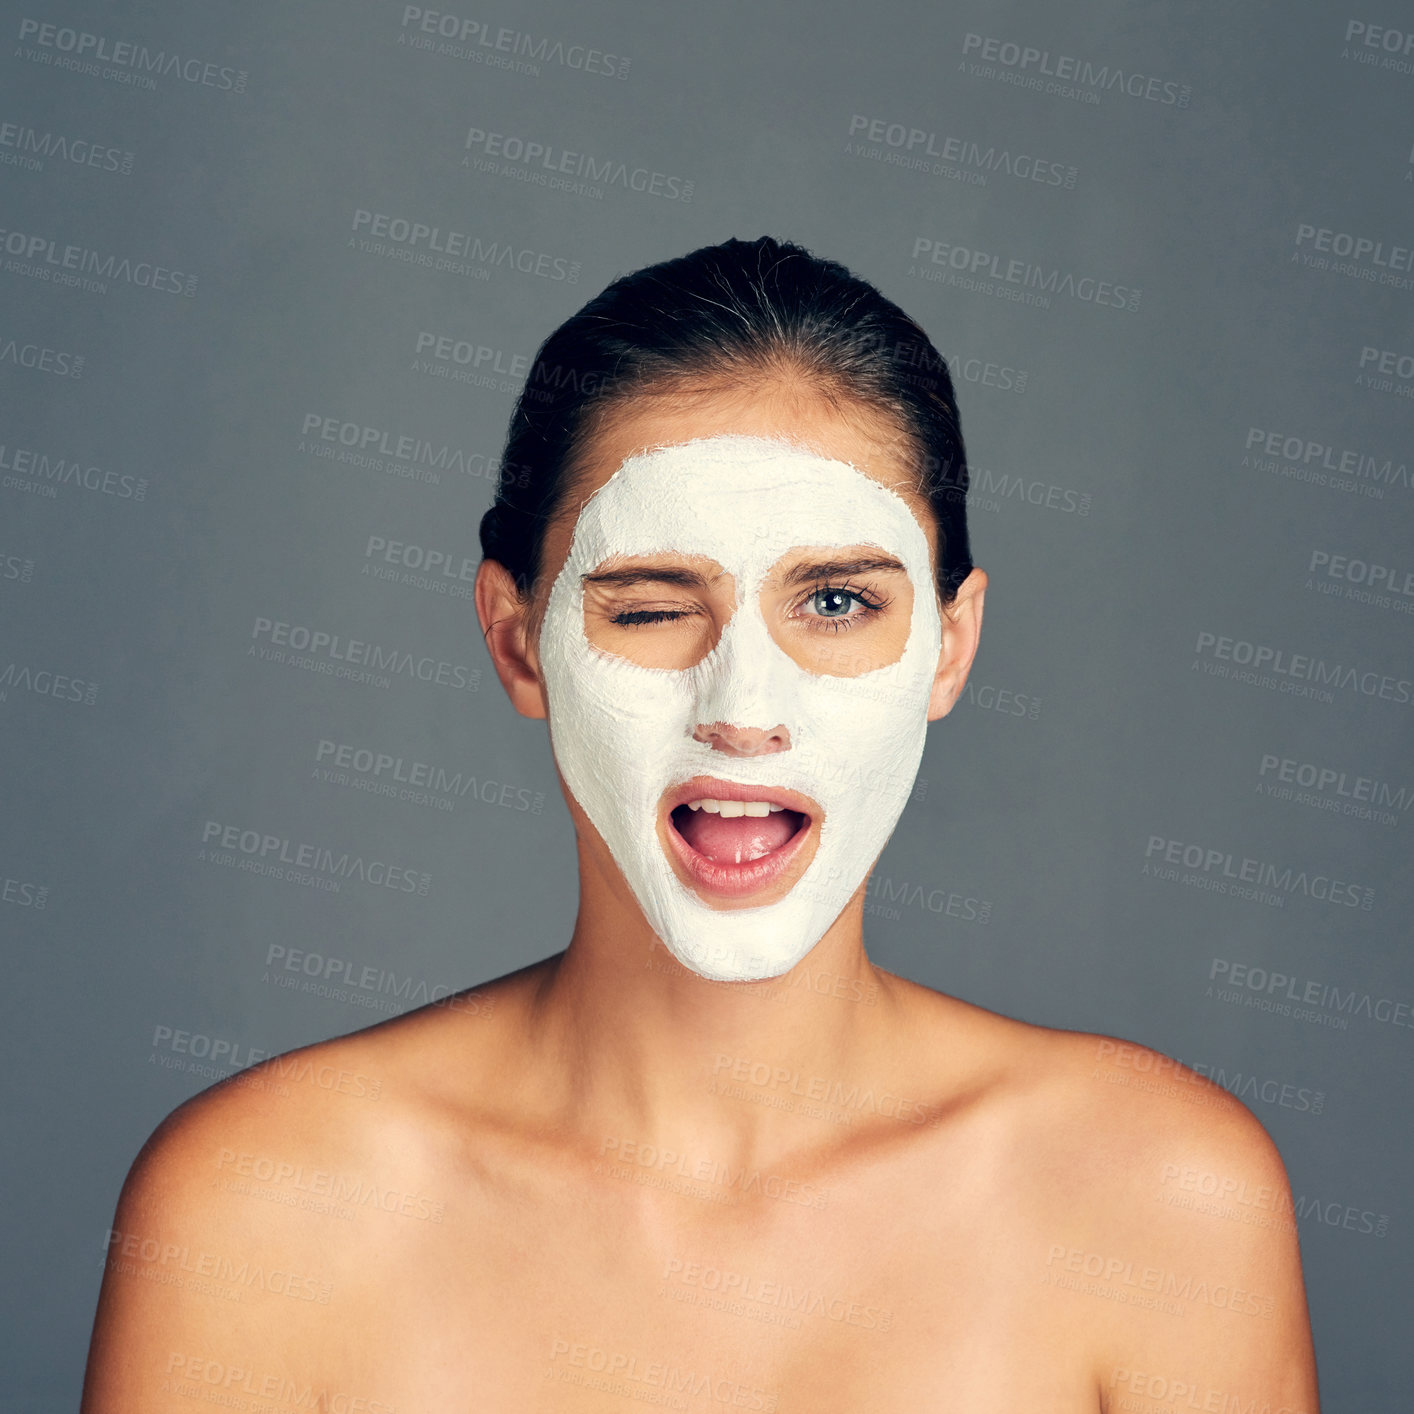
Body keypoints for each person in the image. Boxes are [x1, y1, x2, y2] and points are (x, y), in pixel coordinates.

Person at [82, 236, 1319, 1412]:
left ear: (950, 647)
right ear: (520, 641)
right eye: (649, 607)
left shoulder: (1159, 1203)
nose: (743, 711)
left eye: (835, 600)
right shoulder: (262, 1210)